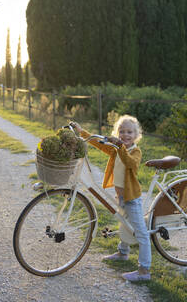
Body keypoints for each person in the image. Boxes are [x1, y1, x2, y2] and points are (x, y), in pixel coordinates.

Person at [71, 116, 151, 282]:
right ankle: (123, 252)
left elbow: (130, 164)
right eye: (122, 131)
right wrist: (82, 132)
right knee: (123, 222)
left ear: (136, 135)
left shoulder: (135, 151)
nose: (125, 135)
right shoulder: (116, 149)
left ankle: (144, 270)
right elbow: (100, 145)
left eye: (129, 132)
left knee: (141, 232)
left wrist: (120, 145)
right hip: (121, 196)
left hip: (132, 198)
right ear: (117, 133)